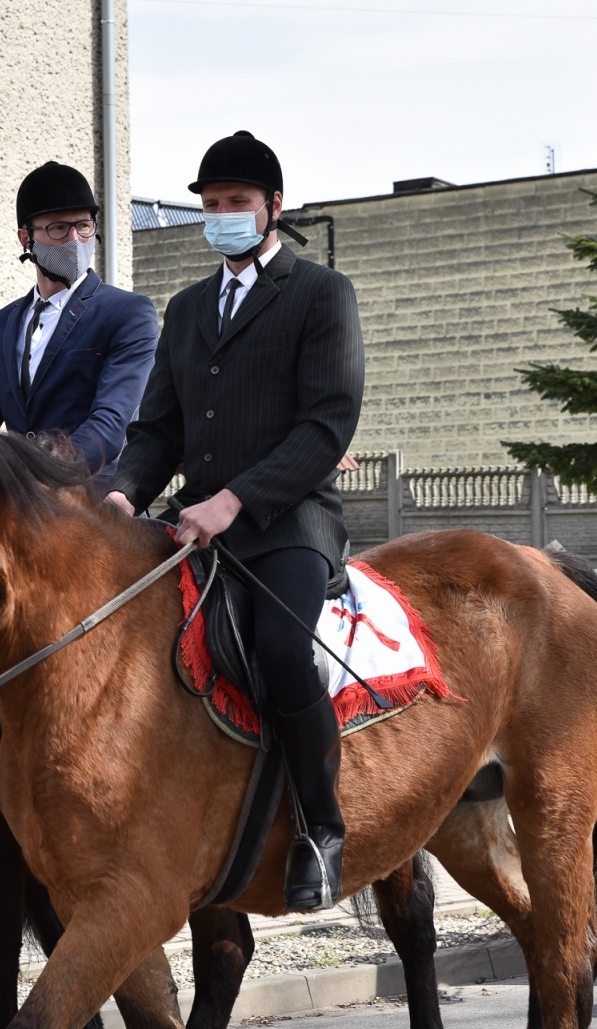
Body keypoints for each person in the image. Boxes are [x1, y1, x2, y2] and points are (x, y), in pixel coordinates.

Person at [105, 131, 365, 910]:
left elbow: (328, 424)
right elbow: (157, 430)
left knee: (283, 650)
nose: (221, 216)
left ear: (272, 209)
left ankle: (322, 829)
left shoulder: (321, 294)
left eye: (236, 205)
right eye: (211, 205)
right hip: (194, 525)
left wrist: (234, 500)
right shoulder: (184, 310)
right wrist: (121, 494)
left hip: (290, 523)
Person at [0, 162, 158, 485]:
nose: (74, 239)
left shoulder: (128, 313)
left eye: (83, 226)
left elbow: (110, 424)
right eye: (57, 228)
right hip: (20, 506)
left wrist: (34, 475)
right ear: (26, 238)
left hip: (90, 503)